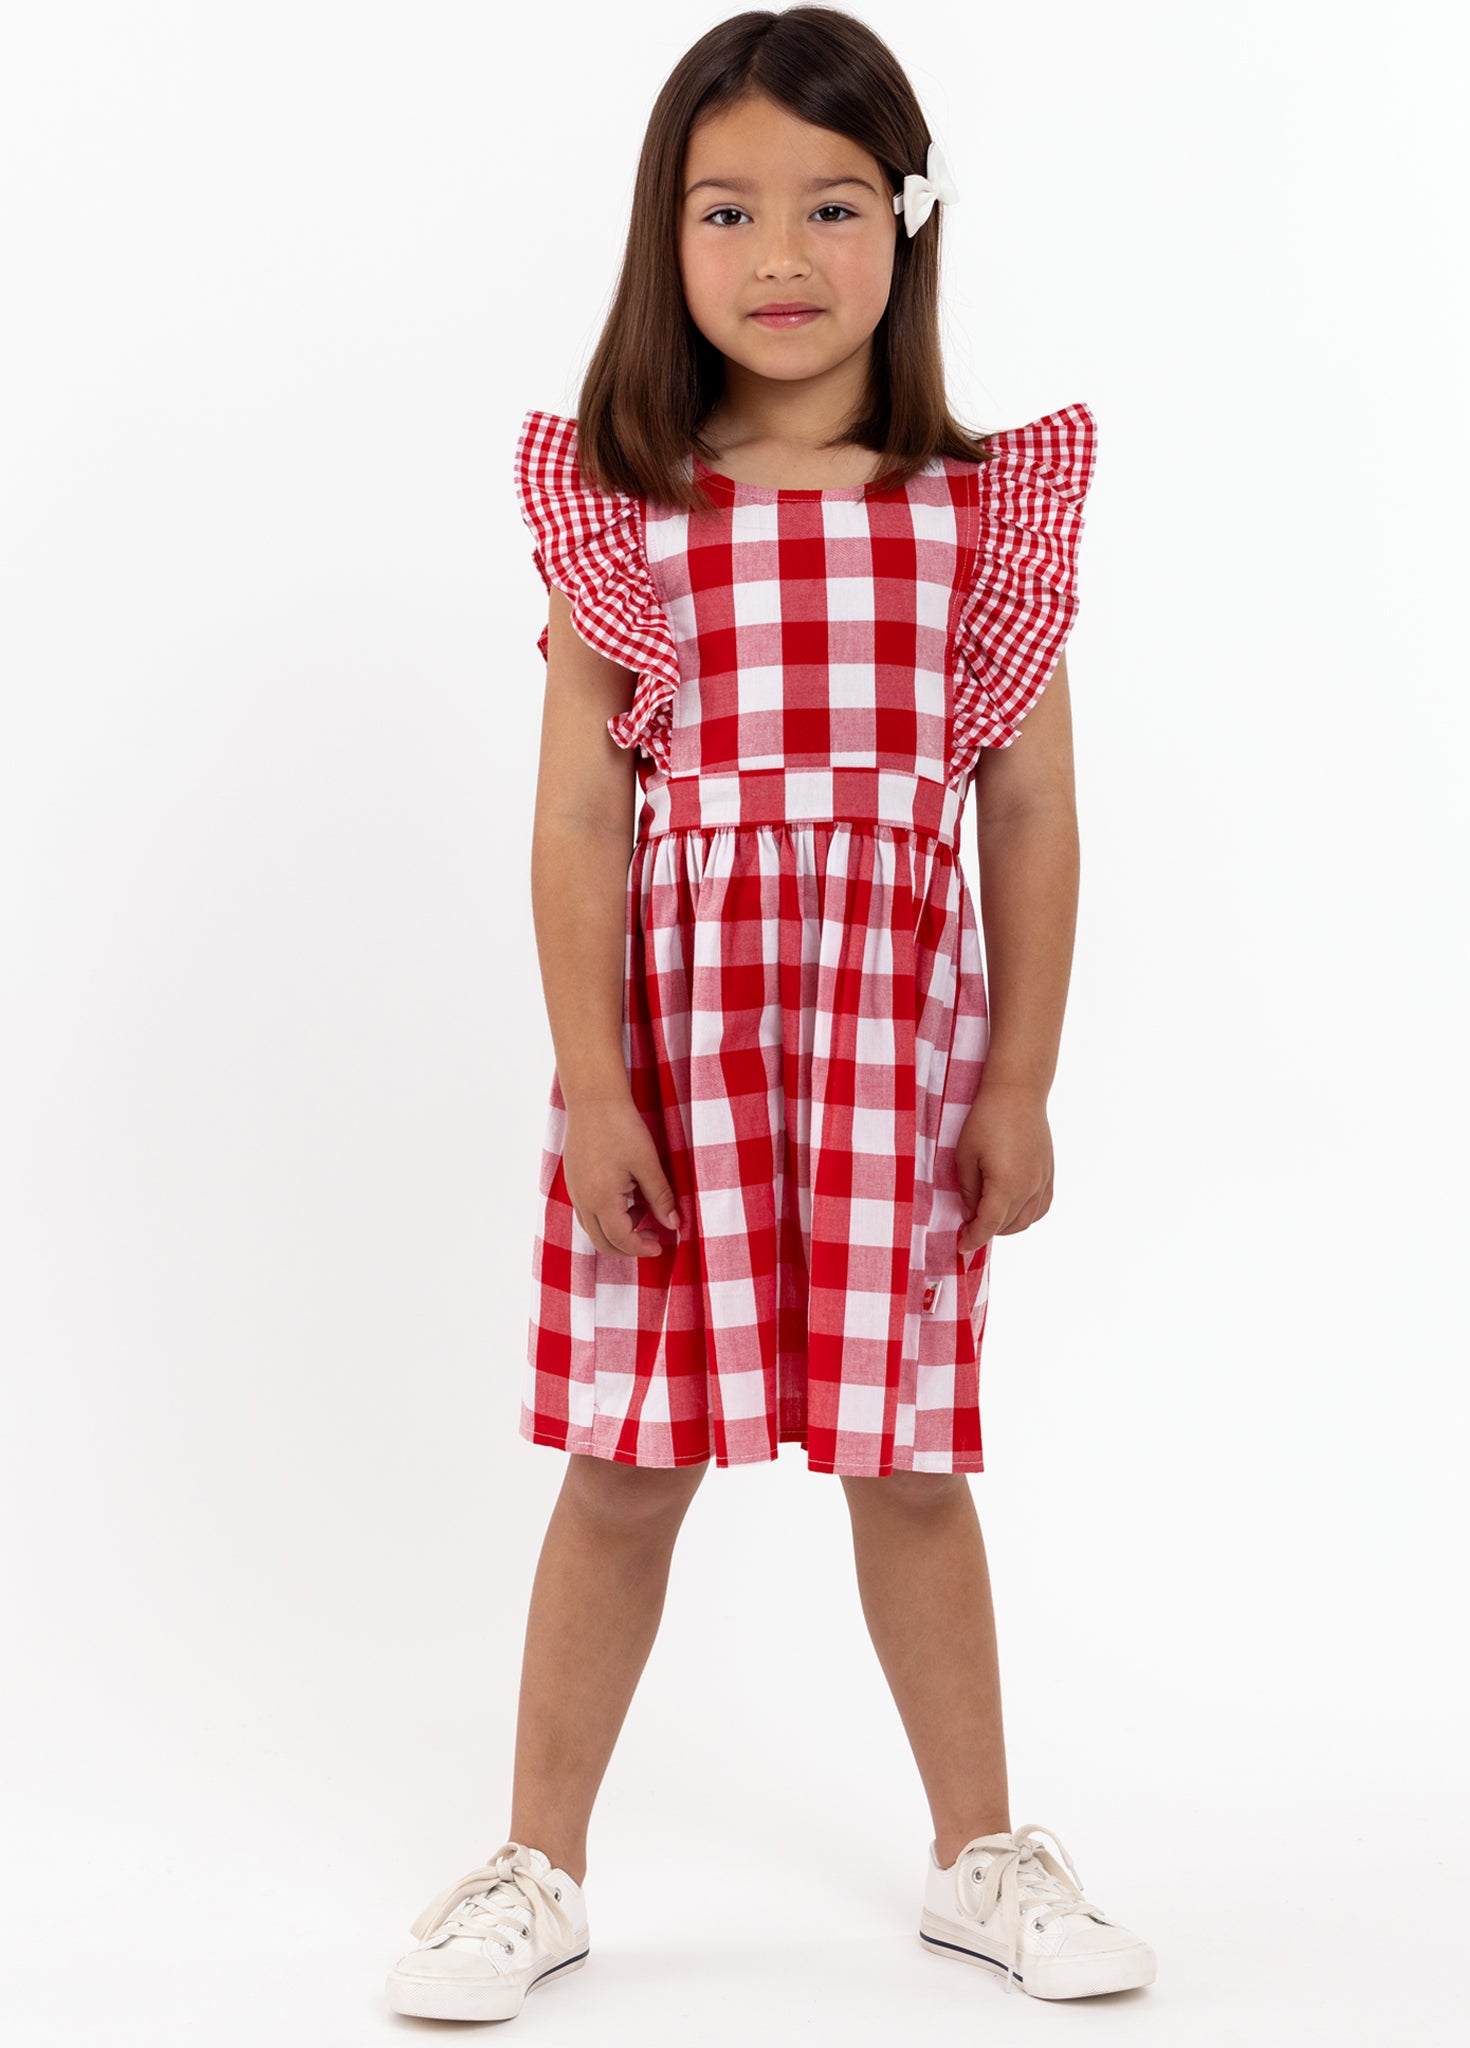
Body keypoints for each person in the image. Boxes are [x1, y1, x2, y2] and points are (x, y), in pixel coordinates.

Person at [385, 6, 1155, 2023]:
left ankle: (980, 1851)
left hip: (893, 1059)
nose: (783, 255)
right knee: (629, 1465)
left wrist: (1025, 1077)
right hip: (675, 1063)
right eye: (729, 209)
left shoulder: (979, 517)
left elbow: (1036, 807)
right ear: (670, 237)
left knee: (908, 1460)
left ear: (906, 229)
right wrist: (593, 1080)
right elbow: (571, 818)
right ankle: (534, 1864)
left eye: (831, 203)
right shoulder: (623, 514)